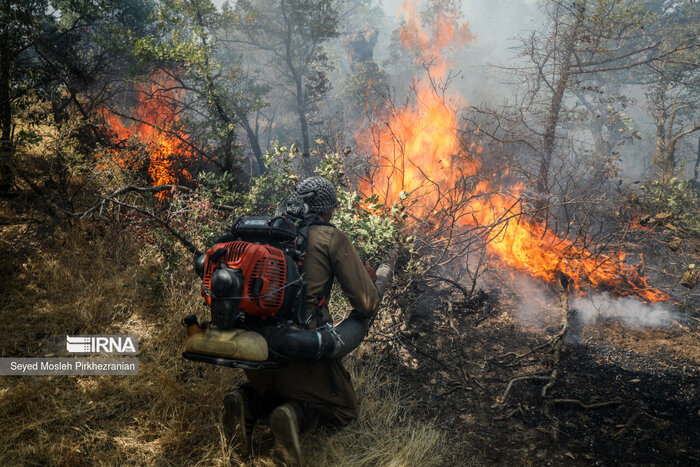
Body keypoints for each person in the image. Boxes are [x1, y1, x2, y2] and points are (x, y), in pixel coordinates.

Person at [222, 176, 379, 465]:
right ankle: (293, 415)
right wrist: (372, 280)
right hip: (303, 353)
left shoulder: (265, 232)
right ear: (328, 210)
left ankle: (246, 402)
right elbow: (366, 304)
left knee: (271, 390)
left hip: (253, 353)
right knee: (344, 412)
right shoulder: (331, 238)